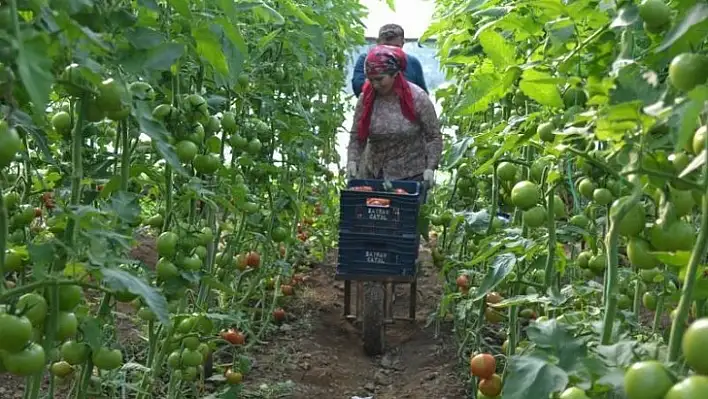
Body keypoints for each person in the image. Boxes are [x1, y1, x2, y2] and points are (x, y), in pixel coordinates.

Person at [346, 44, 442, 190]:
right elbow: (357, 135)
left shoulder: (417, 98)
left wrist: (430, 167)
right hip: (374, 174)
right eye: (371, 80)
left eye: (380, 79)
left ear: (395, 74)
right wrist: (353, 160)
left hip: (410, 176)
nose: (375, 84)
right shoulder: (366, 98)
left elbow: (433, 136)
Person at [351, 24, 428, 98]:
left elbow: (423, 93)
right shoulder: (365, 60)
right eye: (386, 46)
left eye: (395, 47)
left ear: (403, 43)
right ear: (377, 42)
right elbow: (358, 88)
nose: (391, 52)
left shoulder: (412, 62)